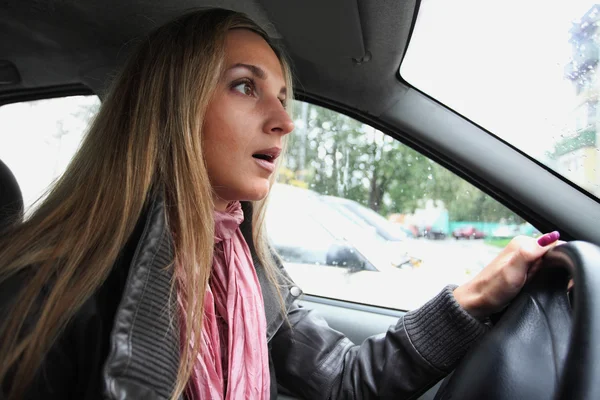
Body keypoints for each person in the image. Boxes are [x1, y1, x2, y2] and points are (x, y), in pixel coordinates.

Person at [0, 8, 561, 400]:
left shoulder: (243, 262)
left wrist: (480, 294)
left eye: (285, 97)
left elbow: (341, 381)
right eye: (246, 86)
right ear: (171, 104)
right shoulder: (48, 289)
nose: (284, 120)